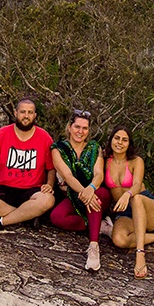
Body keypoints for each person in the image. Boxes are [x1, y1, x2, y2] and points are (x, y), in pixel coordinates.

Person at [102, 126, 154, 279]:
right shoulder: (105, 161)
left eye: (125, 140)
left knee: (135, 197)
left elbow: (137, 185)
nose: (120, 143)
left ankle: (140, 254)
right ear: (111, 140)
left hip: (146, 207)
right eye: (117, 138)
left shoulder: (136, 161)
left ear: (129, 144)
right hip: (126, 213)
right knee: (119, 240)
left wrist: (127, 195)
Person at [0, 97, 55, 230]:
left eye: (30, 112)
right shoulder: (1, 134)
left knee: (48, 200)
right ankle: (27, 216)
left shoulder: (44, 137)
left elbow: (51, 168)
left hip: (31, 190)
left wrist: (49, 185)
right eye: (22, 112)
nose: (26, 116)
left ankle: (1, 221)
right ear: (15, 113)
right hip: (2, 188)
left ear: (35, 115)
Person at [50, 109, 111, 272]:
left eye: (84, 128)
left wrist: (90, 190)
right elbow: (68, 176)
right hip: (72, 195)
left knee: (100, 196)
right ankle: (98, 226)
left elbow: (99, 174)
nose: (80, 131)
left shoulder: (94, 147)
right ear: (70, 127)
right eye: (77, 127)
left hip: (96, 193)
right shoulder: (58, 148)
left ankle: (93, 246)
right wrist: (84, 194)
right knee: (57, 217)